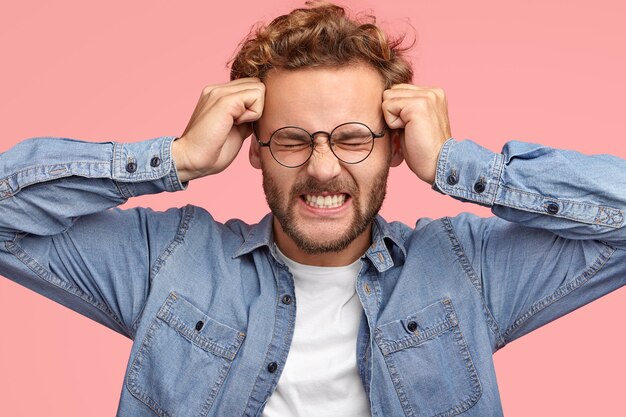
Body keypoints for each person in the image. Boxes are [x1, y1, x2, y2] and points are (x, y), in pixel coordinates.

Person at [1, 2, 624, 416]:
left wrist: (464, 167)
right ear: (253, 150)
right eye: (294, 139)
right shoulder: (167, 260)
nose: (324, 168)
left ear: (395, 148)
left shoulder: (467, 269)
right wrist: (177, 158)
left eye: (354, 138)